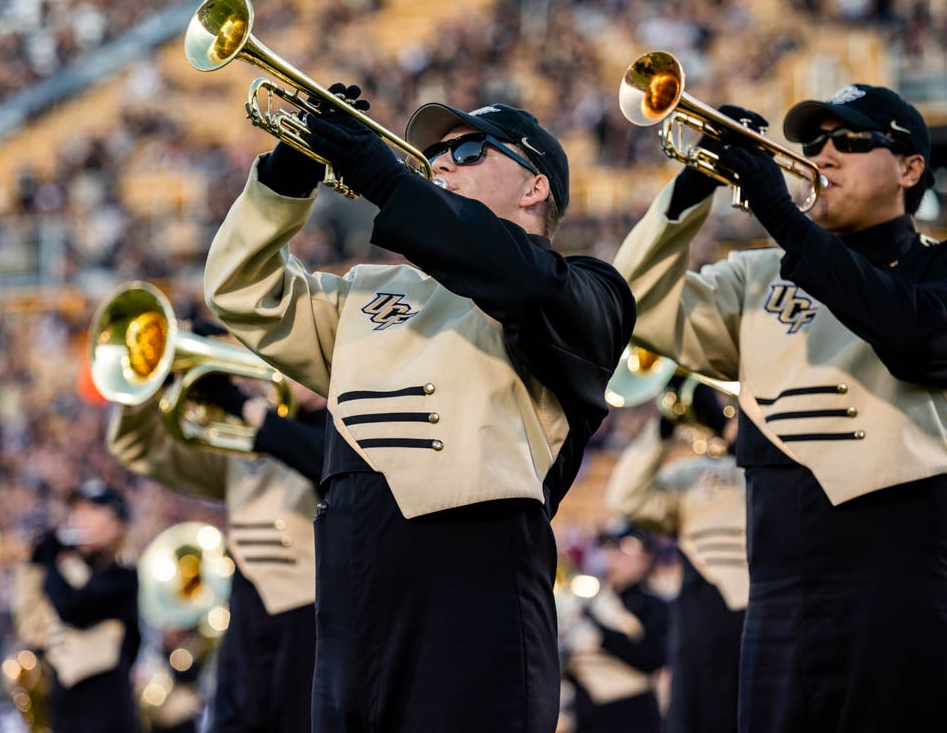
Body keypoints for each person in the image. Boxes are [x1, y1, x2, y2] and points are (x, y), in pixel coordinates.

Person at [204, 87, 635, 731]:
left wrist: (386, 180)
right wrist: (286, 177)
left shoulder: (586, 289)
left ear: (534, 186)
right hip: (351, 581)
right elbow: (242, 291)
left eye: (466, 150)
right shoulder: (369, 291)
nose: (441, 164)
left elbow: (518, 276)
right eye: (434, 155)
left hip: (475, 578)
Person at [612, 85, 947, 732]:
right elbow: (633, 308)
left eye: (849, 141)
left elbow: (913, 338)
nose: (822, 155)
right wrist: (690, 188)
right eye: (814, 142)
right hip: (778, 591)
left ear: (909, 170)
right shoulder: (757, 278)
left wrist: (779, 211)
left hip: (899, 579)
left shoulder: (935, 270)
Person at [106, 331, 327, 733]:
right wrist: (153, 383)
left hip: (308, 610)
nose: (276, 368)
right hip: (248, 603)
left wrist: (240, 403)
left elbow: (318, 458)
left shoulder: (338, 428)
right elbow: (145, 453)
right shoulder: (245, 445)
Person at [605, 380, 747, 733]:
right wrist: (664, 426)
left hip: (766, 608)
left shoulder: (775, 471)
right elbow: (626, 498)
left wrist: (732, 434)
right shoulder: (694, 474)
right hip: (702, 619)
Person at [24, 480, 141, 733]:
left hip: (106, 707)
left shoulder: (123, 574)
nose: (79, 519)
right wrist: (35, 563)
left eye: (92, 511)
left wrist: (55, 563)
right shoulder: (69, 565)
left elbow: (74, 608)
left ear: (117, 525)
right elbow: (30, 627)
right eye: (77, 511)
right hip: (63, 703)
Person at [560, 522, 668, 733]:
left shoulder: (653, 604)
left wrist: (601, 633)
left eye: (628, 547)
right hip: (586, 710)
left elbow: (652, 658)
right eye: (611, 545)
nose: (616, 554)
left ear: (646, 557)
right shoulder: (590, 597)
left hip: (631, 712)